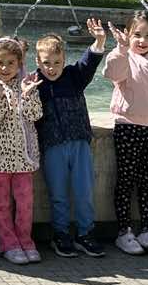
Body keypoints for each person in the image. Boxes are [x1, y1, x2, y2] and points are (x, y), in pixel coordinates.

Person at [102, 10, 148, 255]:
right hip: (128, 126)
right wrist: (121, 48)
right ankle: (124, 231)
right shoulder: (124, 56)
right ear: (127, 34)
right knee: (125, 179)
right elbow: (111, 73)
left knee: (147, 181)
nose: (142, 40)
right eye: (137, 35)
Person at [34, 20, 107, 259]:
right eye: (46, 63)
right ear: (37, 62)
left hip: (79, 143)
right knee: (58, 194)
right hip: (52, 146)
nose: (52, 68)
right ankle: (61, 234)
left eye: (57, 62)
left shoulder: (74, 77)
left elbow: (90, 62)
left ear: (64, 60)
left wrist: (99, 41)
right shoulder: (34, 84)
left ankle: (86, 233)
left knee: (84, 191)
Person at [0, 36, 43, 264]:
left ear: (19, 62)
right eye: (0, 62)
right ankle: (8, 243)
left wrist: (27, 94)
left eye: (10, 63)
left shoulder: (28, 82)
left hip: (24, 157)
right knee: (2, 203)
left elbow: (35, 115)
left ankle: (26, 241)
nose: (5, 68)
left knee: (25, 203)